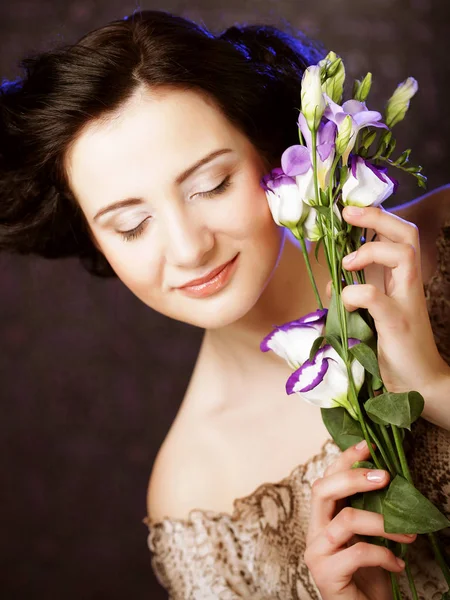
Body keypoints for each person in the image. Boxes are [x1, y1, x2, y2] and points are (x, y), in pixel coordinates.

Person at [1, 9, 449, 599]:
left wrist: (433, 384)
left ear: (268, 150)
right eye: (132, 226)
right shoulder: (194, 492)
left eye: (211, 186)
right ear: (93, 237)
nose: (189, 248)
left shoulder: (442, 238)